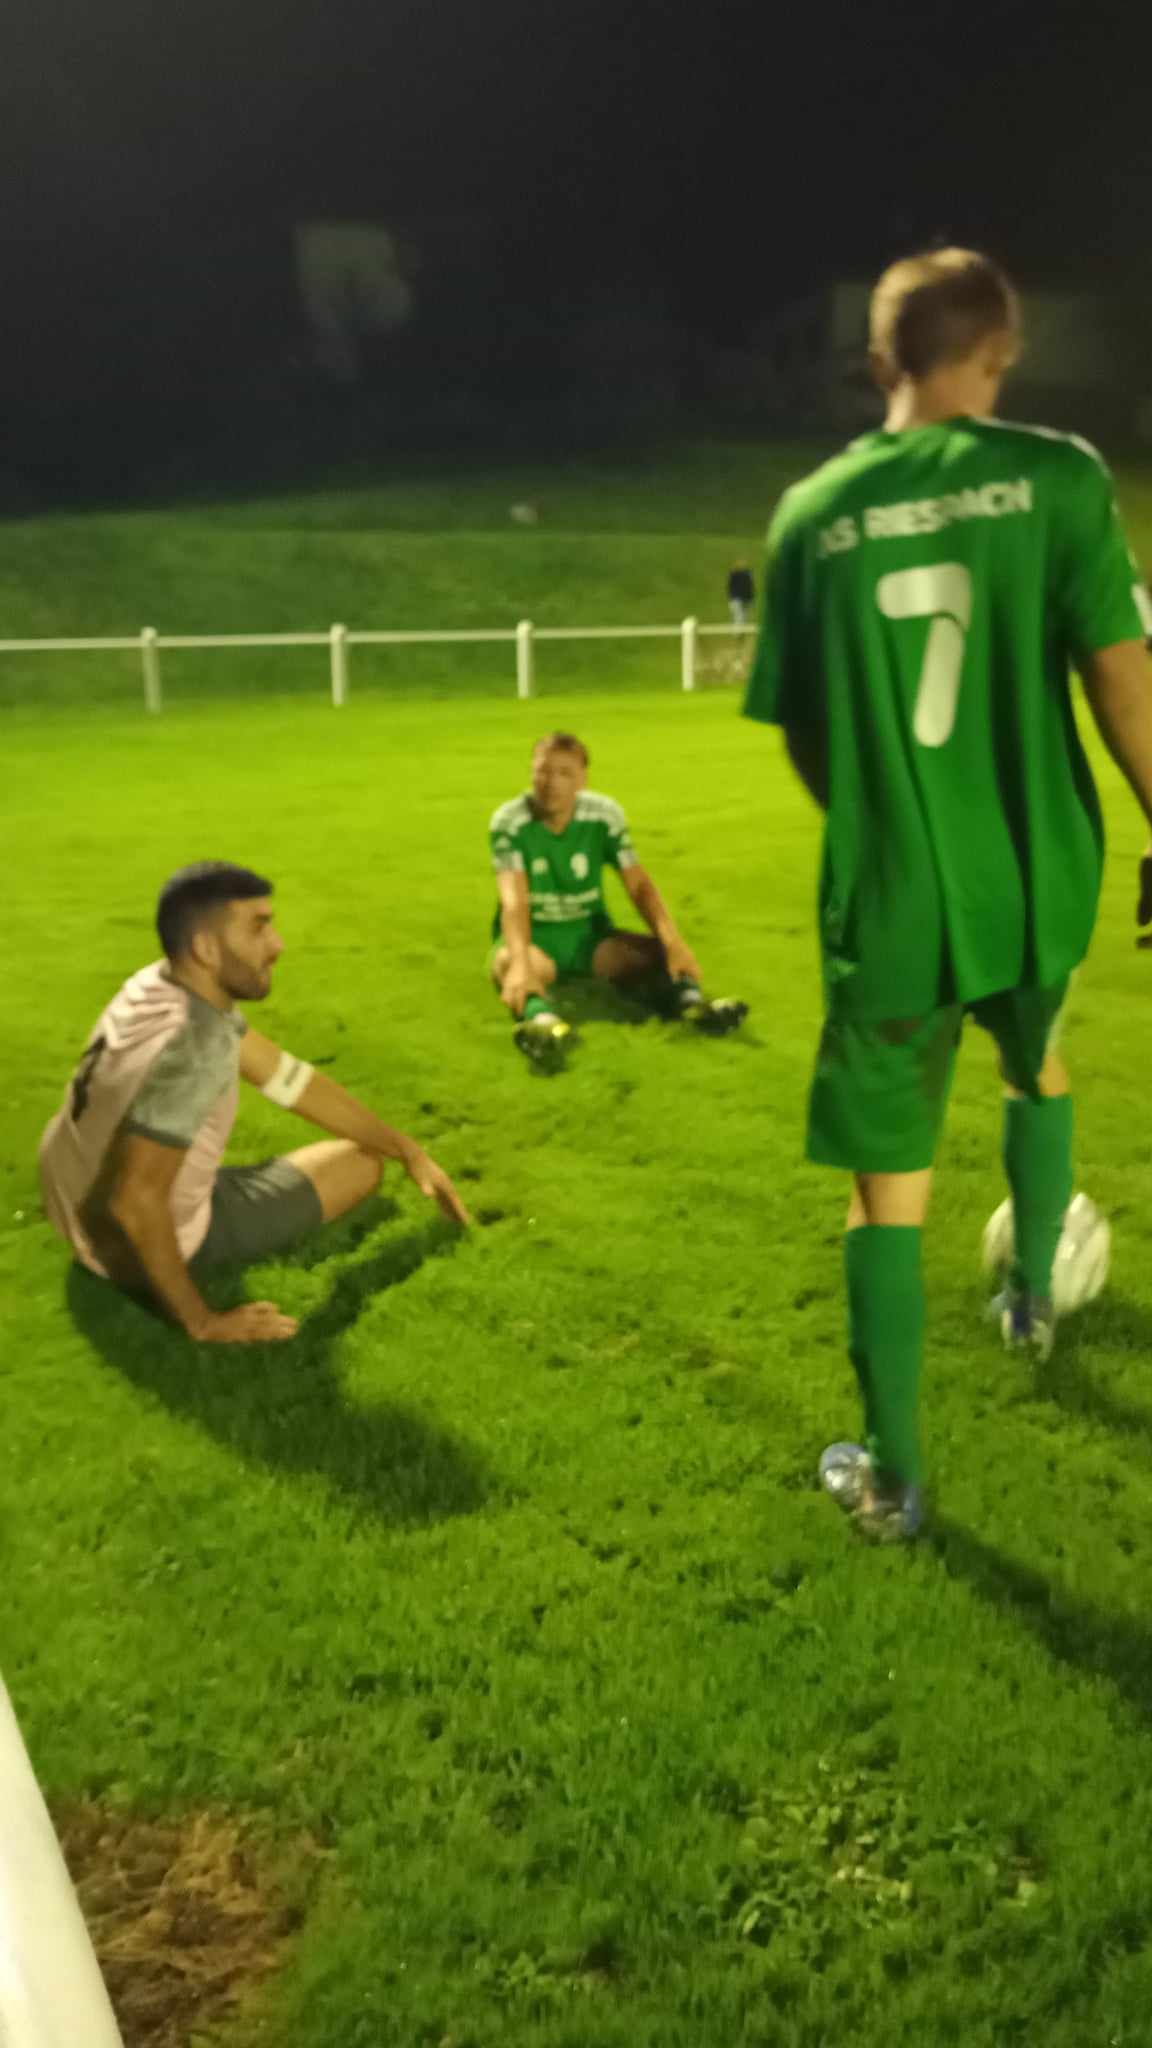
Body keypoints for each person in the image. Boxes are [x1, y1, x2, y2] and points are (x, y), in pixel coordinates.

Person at [745, 247, 1152, 1541]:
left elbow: (805, 730)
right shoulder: (1059, 478)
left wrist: (878, 822)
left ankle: (895, 1479)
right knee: (1039, 1063)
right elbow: (1123, 679)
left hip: (894, 901)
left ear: (880, 361)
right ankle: (1030, 1297)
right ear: (1002, 351)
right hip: (1037, 878)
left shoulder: (813, 515)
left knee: (886, 1188)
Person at [39, 861, 470, 1344]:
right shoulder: (196, 1049)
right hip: (122, 1243)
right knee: (360, 1164)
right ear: (206, 948)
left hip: (70, 1203)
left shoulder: (158, 983)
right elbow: (135, 1202)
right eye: (258, 928)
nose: (277, 944)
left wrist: (406, 1148)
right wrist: (203, 1323)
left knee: (354, 1150)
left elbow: (287, 1079)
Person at [488, 731, 747, 1064]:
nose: (551, 782)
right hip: (536, 939)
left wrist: (673, 941)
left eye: (564, 773)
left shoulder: (603, 814)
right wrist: (522, 965)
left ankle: (694, 1006)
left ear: (582, 780)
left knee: (660, 952)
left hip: (590, 940)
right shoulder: (510, 820)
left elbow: (638, 885)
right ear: (531, 773)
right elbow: (514, 901)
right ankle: (544, 1023)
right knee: (509, 962)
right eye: (543, 771)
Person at [727, 560, 755, 628]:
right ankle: (738, 631)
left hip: (744, 598)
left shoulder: (747, 575)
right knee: (739, 615)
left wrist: (751, 597)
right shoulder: (735, 574)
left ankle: (740, 630)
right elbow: (730, 586)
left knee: (743, 616)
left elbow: (750, 587)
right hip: (737, 598)